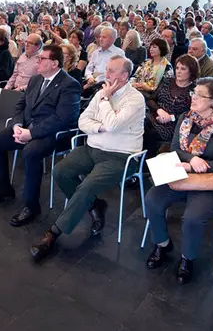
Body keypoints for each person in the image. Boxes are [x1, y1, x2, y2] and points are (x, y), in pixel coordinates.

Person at [29, 56, 144, 262]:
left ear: (125, 76)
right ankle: (93, 206)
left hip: (121, 156)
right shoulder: (101, 93)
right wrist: (99, 127)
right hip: (92, 147)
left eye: (111, 71)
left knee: (87, 186)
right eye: (106, 69)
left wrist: (107, 101)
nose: (105, 74)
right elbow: (83, 120)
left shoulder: (135, 99)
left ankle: (53, 233)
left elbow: (115, 125)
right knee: (61, 171)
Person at [144, 77, 213, 282]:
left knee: (192, 218)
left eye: (198, 95)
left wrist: (202, 165)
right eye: (193, 92)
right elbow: (176, 149)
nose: (192, 97)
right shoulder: (185, 118)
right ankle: (162, 244)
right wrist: (191, 159)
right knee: (152, 200)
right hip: (183, 172)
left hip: (208, 179)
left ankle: (188, 258)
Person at [0, 45, 82, 225]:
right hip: (27, 127)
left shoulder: (69, 85)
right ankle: (4, 187)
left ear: (54, 63)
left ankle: (31, 205)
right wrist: (17, 126)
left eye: (42, 58)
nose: (38, 61)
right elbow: (20, 105)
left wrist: (31, 133)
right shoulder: (36, 80)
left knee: (31, 152)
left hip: (53, 134)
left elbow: (62, 119)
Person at [143, 54, 198, 154]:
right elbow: (151, 100)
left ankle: (143, 163)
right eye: (177, 68)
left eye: (183, 69)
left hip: (173, 125)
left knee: (148, 133)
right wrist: (159, 110)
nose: (178, 71)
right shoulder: (167, 81)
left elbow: (192, 114)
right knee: (140, 124)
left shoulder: (195, 90)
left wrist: (171, 117)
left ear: (191, 71)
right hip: (154, 116)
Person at [83, 26, 125, 96]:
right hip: (92, 82)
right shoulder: (95, 53)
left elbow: (117, 73)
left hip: (108, 84)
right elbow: (89, 68)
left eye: (104, 37)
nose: (100, 39)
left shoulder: (119, 53)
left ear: (112, 39)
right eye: (100, 37)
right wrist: (89, 77)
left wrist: (96, 80)